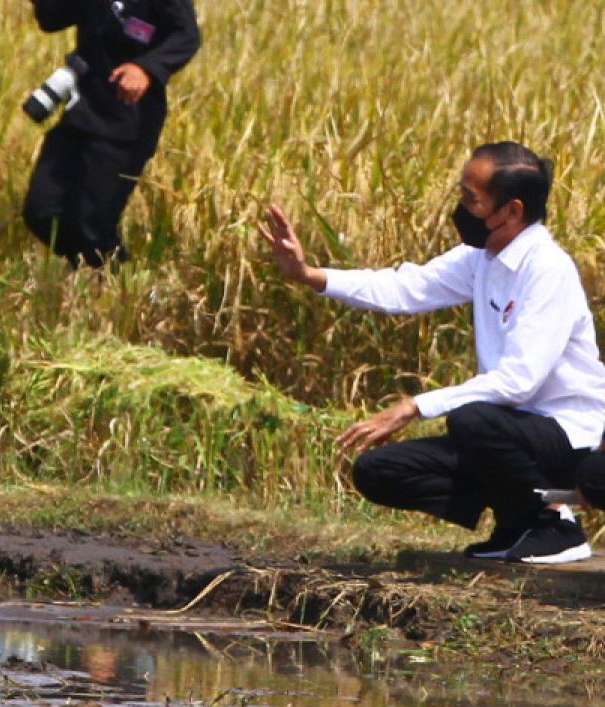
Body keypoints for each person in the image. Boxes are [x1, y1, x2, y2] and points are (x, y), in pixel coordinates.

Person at [259, 141, 605, 564]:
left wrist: (412, 407)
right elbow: (405, 288)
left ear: (512, 211)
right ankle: (516, 519)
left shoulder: (547, 270)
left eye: (470, 199)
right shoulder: (482, 257)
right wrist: (308, 274)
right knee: (377, 471)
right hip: (506, 435)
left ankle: (555, 525)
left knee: (471, 418)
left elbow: (519, 382)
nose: (460, 208)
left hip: (566, 435)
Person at [22, 0, 200, 267]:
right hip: (81, 112)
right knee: (41, 211)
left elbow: (186, 35)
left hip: (128, 123)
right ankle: (96, 274)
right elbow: (52, 19)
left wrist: (146, 68)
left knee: (91, 225)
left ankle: (120, 285)